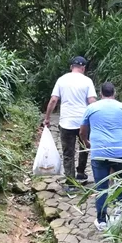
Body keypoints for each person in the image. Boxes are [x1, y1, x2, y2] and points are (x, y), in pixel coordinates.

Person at [79, 82, 122, 230]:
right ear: (114, 93)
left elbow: (82, 130)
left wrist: (86, 141)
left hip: (99, 153)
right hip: (120, 152)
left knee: (101, 187)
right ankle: (118, 215)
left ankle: (102, 221)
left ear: (100, 93)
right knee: (121, 184)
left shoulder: (91, 108)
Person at [43, 56, 96, 184]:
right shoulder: (87, 81)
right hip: (83, 123)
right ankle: (81, 172)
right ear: (83, 68)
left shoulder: (61, 80)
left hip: (66, 122)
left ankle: (70, 181)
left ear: (71, 67)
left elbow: (54, 100)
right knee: (84, 147)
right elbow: (92, 101)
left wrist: (47, 118)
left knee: (68, 153)